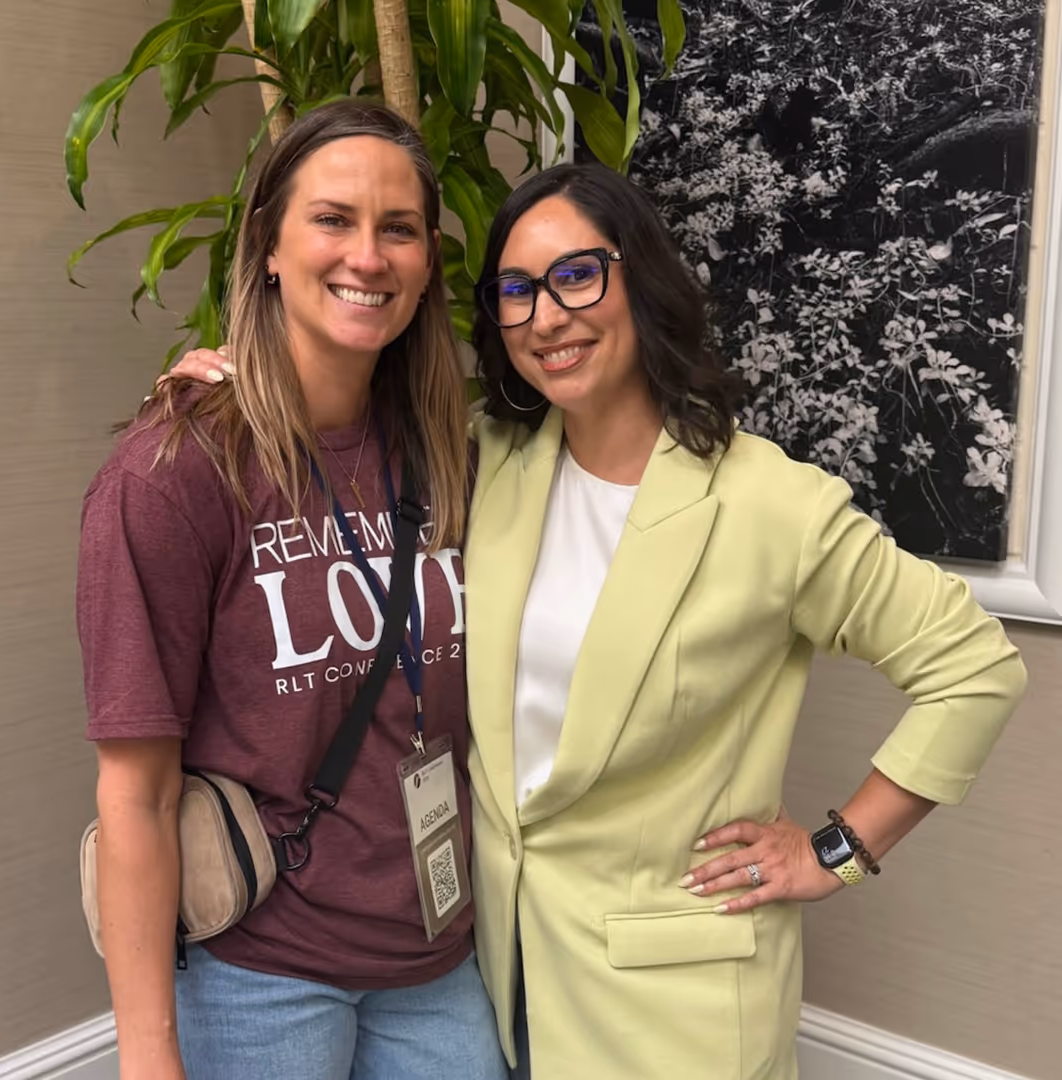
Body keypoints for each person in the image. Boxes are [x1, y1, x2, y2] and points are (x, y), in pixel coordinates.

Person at [171, 163, 1027, 1080]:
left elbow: (976, 669)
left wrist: (837, 851)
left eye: (577, 274)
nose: (546, 315)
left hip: (678, 1005)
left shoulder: (769, 504)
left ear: (640, 277)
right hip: (505, 974)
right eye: (515, 290)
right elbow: (336, 418)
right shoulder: (487, 463)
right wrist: (228, 382)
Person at [77, 101, 507, 1080]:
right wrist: (149, 1062)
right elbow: (135, 795)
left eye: (399, 228)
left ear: (428, 260)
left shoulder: (453, 455)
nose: (369, 255)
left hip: (433, 950)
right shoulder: (176, 473)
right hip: (257, 972)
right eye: (333, 219)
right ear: (268, 243)